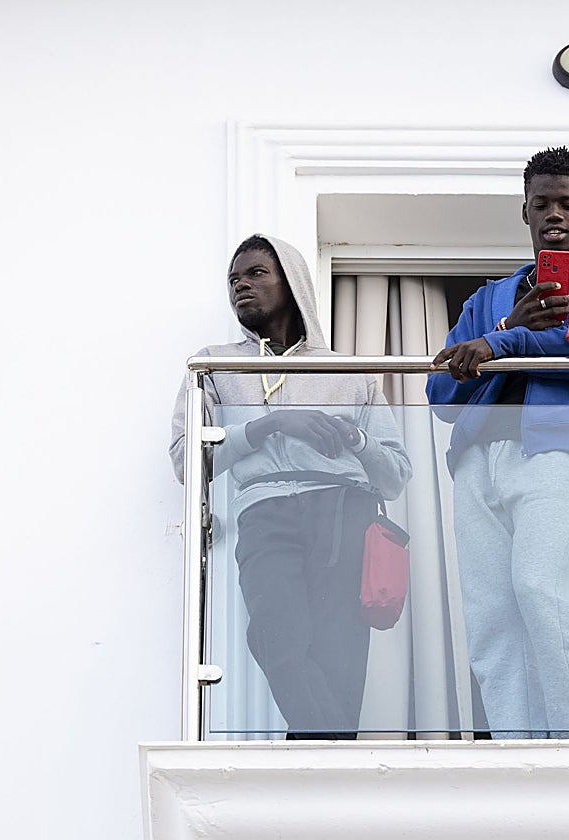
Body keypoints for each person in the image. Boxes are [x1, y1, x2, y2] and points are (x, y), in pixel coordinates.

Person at [427, 147, 569, 738]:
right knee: (491, 615)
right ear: (523, 213)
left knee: (540, 586)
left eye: (568, 204)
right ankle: (515, 752)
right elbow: (439, 390)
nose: (555, 214)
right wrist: (504, 329)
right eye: (542, 204)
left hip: (555, 444)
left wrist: (503, 346)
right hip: (479, 458)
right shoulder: (488, 298)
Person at [169, 234, 412, 739]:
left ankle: (321, 764)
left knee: (340, 651)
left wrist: (355, 437)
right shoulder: (214, 365)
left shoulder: (350, 373)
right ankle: (337, 755)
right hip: (265, 510)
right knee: (276, 638)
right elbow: (185, 458)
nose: (241, 285)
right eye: (234, 278)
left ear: (293, 282)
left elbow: (396, 471)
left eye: (256, 273)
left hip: (345, 509)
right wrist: (271, 425)